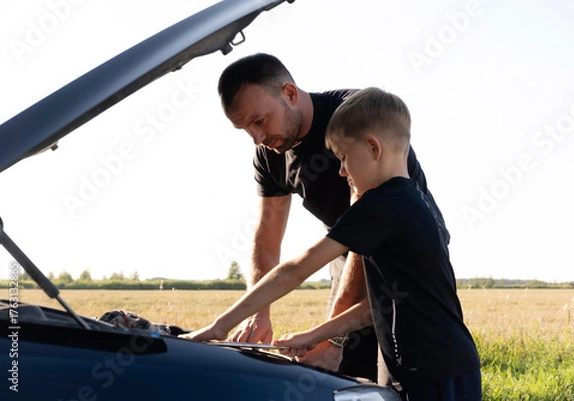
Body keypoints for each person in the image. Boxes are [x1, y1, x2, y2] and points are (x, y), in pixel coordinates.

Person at [181, 87, 481, 400]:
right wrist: (315, 335)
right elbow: (374, 308)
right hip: (443, 366)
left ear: (373, 148)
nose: (340, 171)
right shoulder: (414, 203)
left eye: (343, 158)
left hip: (430, 375)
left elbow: (295, 271)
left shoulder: (379, 206)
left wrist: (219, 326)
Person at [213, 53, 450, 382]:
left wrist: (333, 339)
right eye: (245, 130)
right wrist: (258, 314)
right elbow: (267, 236)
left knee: (393, 368)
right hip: (344, 248)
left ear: (290, 94)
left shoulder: (353, 119)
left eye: (259, 121)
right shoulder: (268, 154)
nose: (257, 138)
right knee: (336, 375)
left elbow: (365, 221)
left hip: (400, 250)